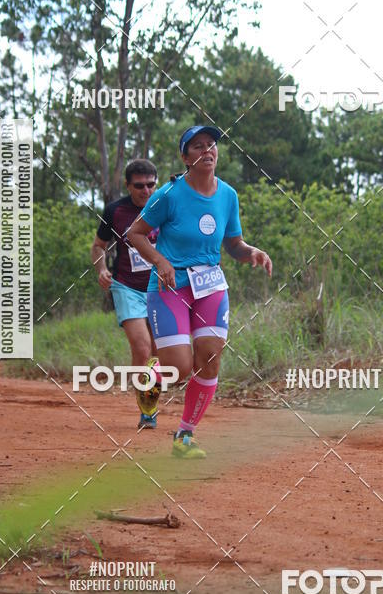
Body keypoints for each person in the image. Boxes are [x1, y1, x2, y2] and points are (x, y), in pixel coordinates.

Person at [127, 125, 272, 459]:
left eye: (211, 145)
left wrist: (251, 252)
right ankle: (152, 378)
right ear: (185, 157)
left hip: (210, 286)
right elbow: (135, 233)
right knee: (179, 368)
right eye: (198, 146)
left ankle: (184, 436)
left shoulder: (228, 195)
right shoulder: (168, 194)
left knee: (210, 360)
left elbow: (233, 244)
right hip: (170, 286)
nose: (207, 151)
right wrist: (160, 261)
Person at [91, 159, 162, 428]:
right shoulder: (115, 211)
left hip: (159, 287)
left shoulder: (164, 205)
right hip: (126, 286)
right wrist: (101, 269)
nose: (146, 191)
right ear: (127, 186)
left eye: (151, 185)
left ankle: (151, 398)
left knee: (158, 352)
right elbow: (98, 246)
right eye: (139, 186)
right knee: (142, 348)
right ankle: (146, 410)